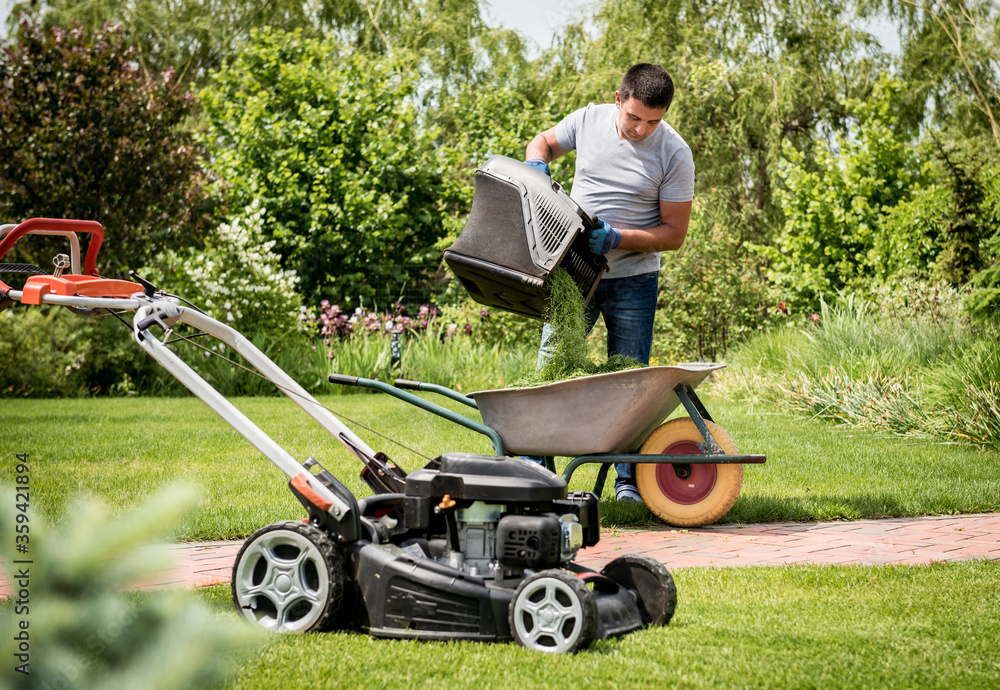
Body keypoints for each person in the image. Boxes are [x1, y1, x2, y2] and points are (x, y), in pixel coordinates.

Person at [523, 63, 694, 503]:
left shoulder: (674, 153)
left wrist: (619, 237)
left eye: (653, 121)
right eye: (634, 117)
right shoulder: (587, 120)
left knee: (629, 384)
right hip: (573, 275)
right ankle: (538, 476)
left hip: (634, 280)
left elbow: (674, 234)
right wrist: (537, 164)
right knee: (551, 372)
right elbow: (543, 141)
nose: (641, 129)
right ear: (618, 99)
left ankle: (626, 482)